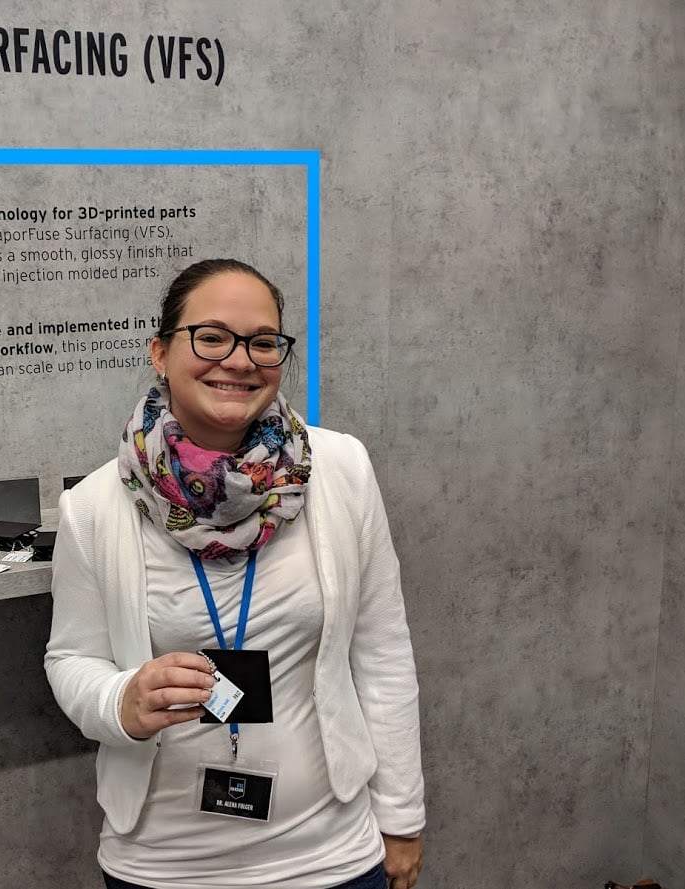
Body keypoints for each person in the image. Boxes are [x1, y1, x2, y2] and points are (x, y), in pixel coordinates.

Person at [45, 259, 425, 889]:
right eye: (212, 337)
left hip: (329, 855)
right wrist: (122, 701)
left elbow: (381, 650)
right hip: (164, 864)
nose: (240, 360)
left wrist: (402, 817)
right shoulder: (94, 506)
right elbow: (71, 659)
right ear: (161, 353)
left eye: (262, 342)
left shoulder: (340, 470)